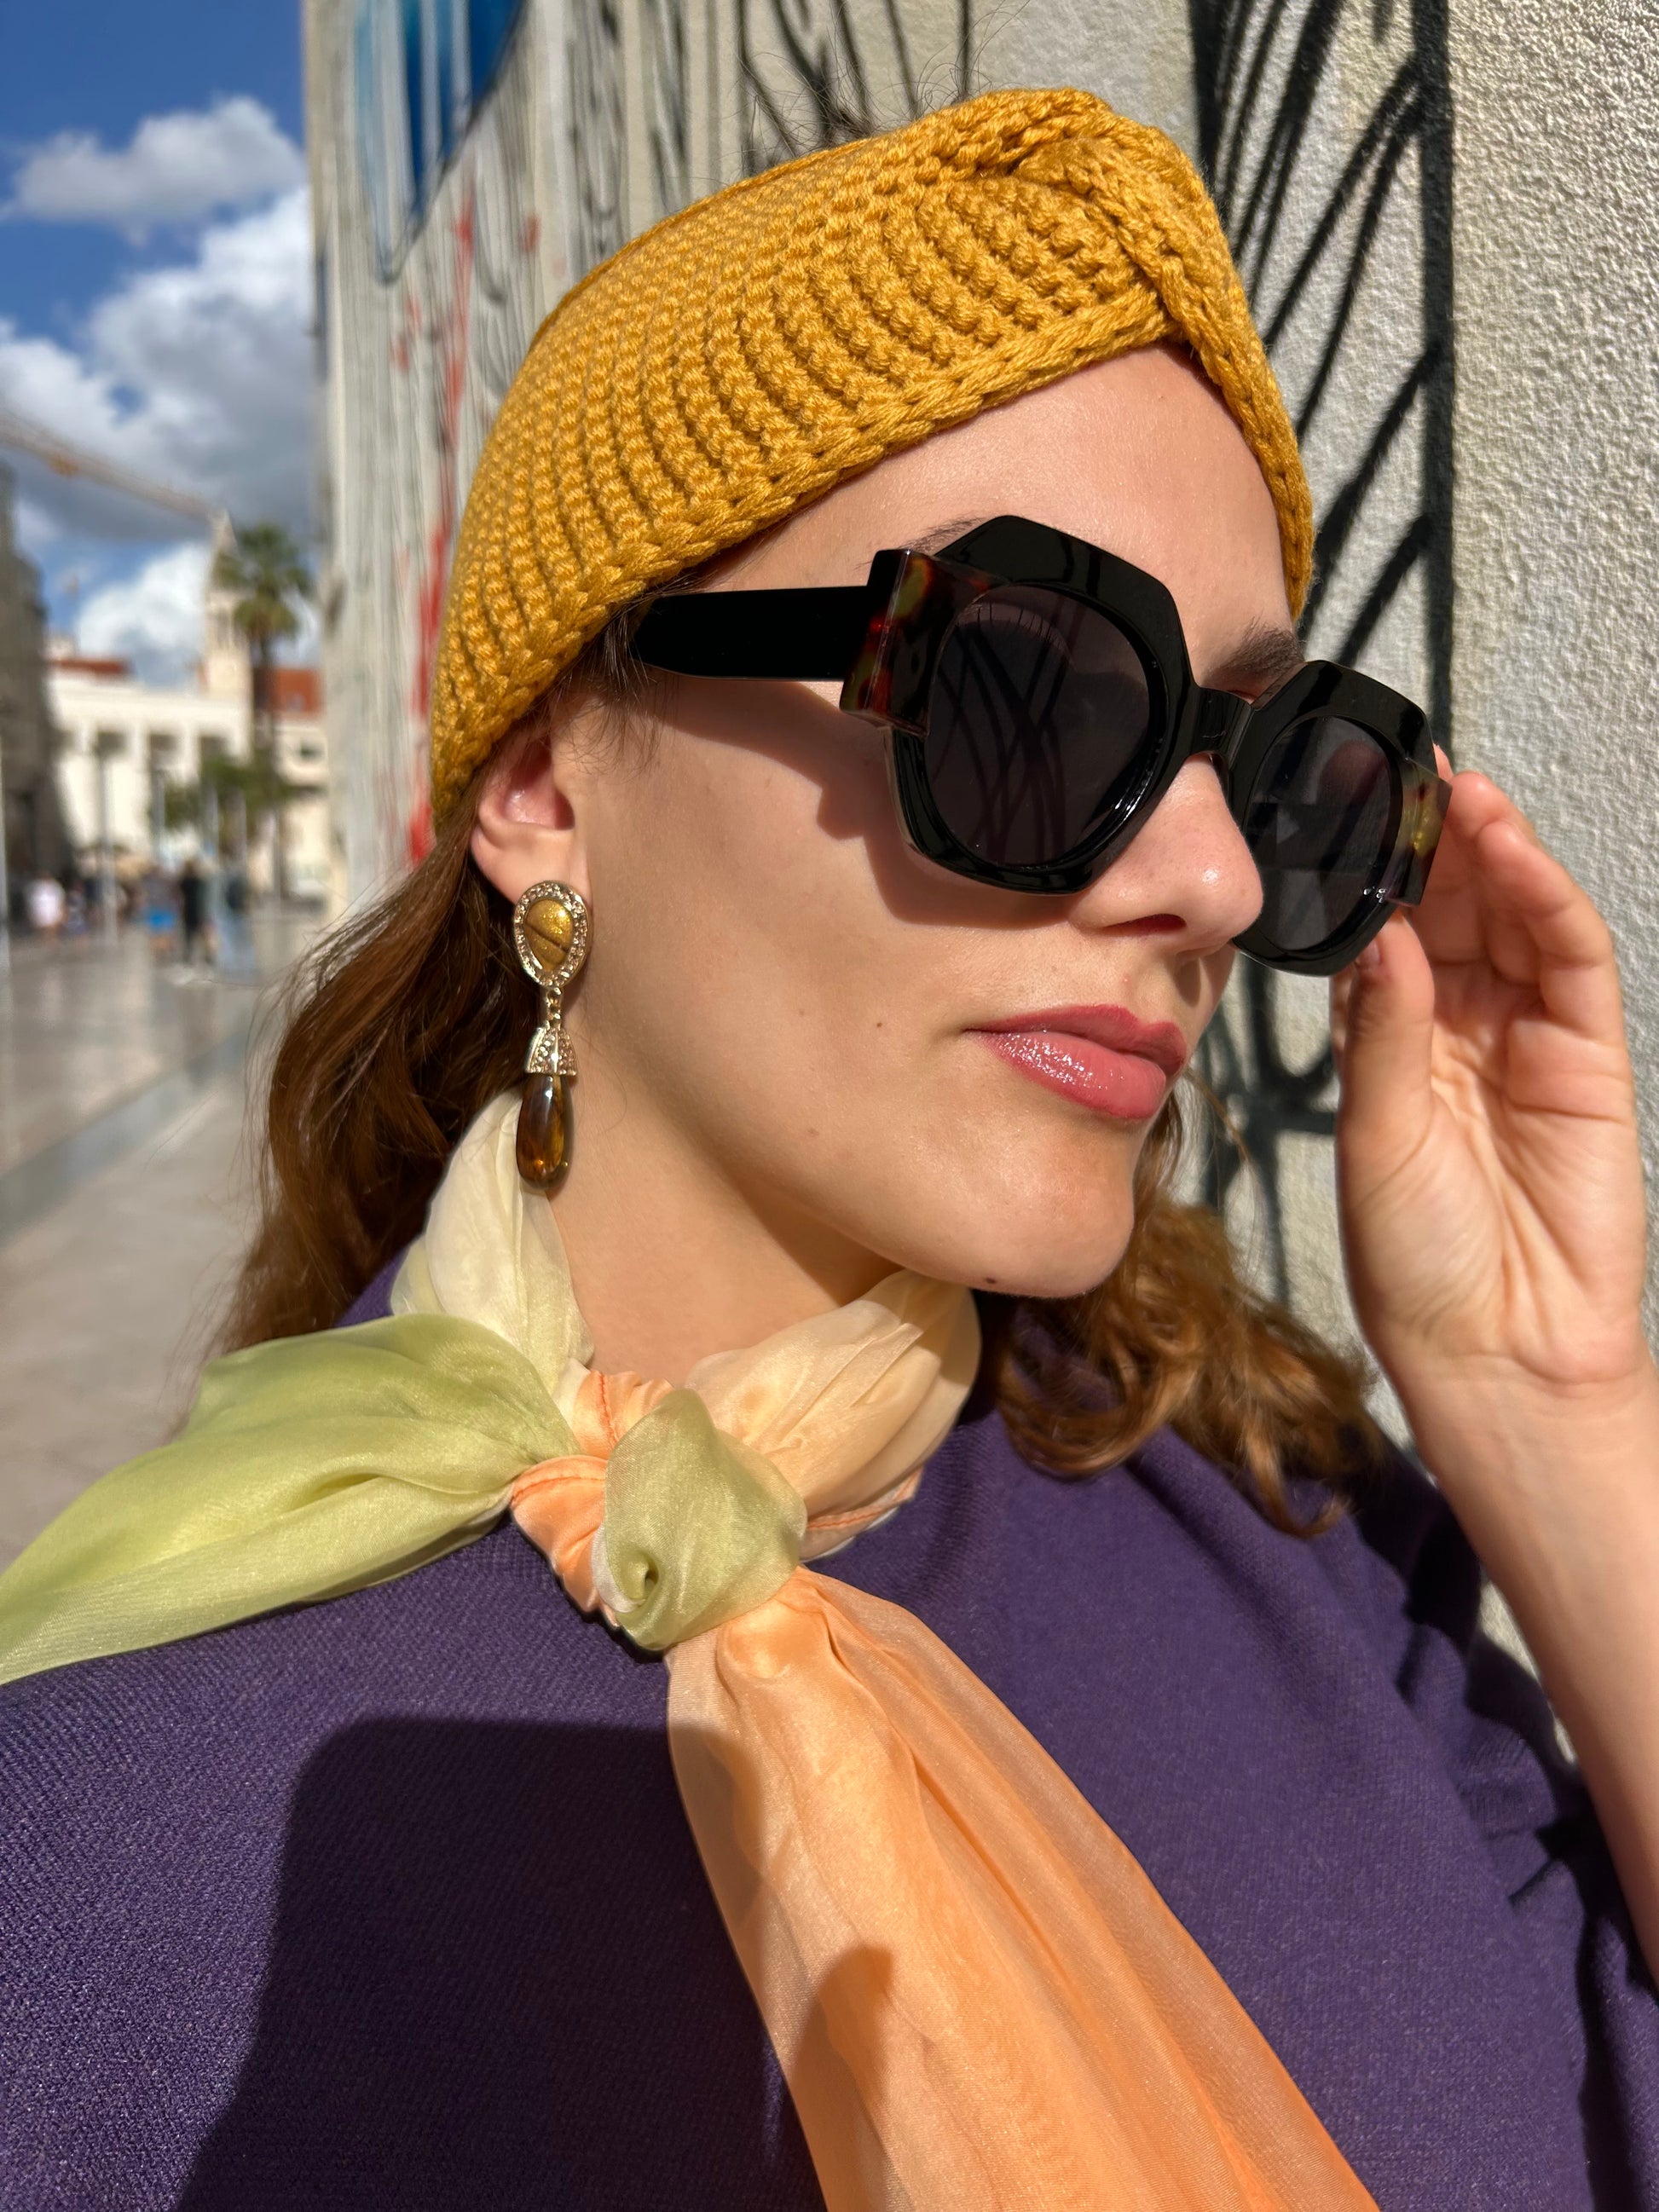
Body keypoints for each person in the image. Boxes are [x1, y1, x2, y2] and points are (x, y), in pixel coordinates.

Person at [0, 90, 1654, 2212]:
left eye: (1259, 759)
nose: (1219, 882)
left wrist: (1549, 1399)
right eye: (1025, 695)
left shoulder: (1291, 1521)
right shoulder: (111, 1830)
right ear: (543, 782)